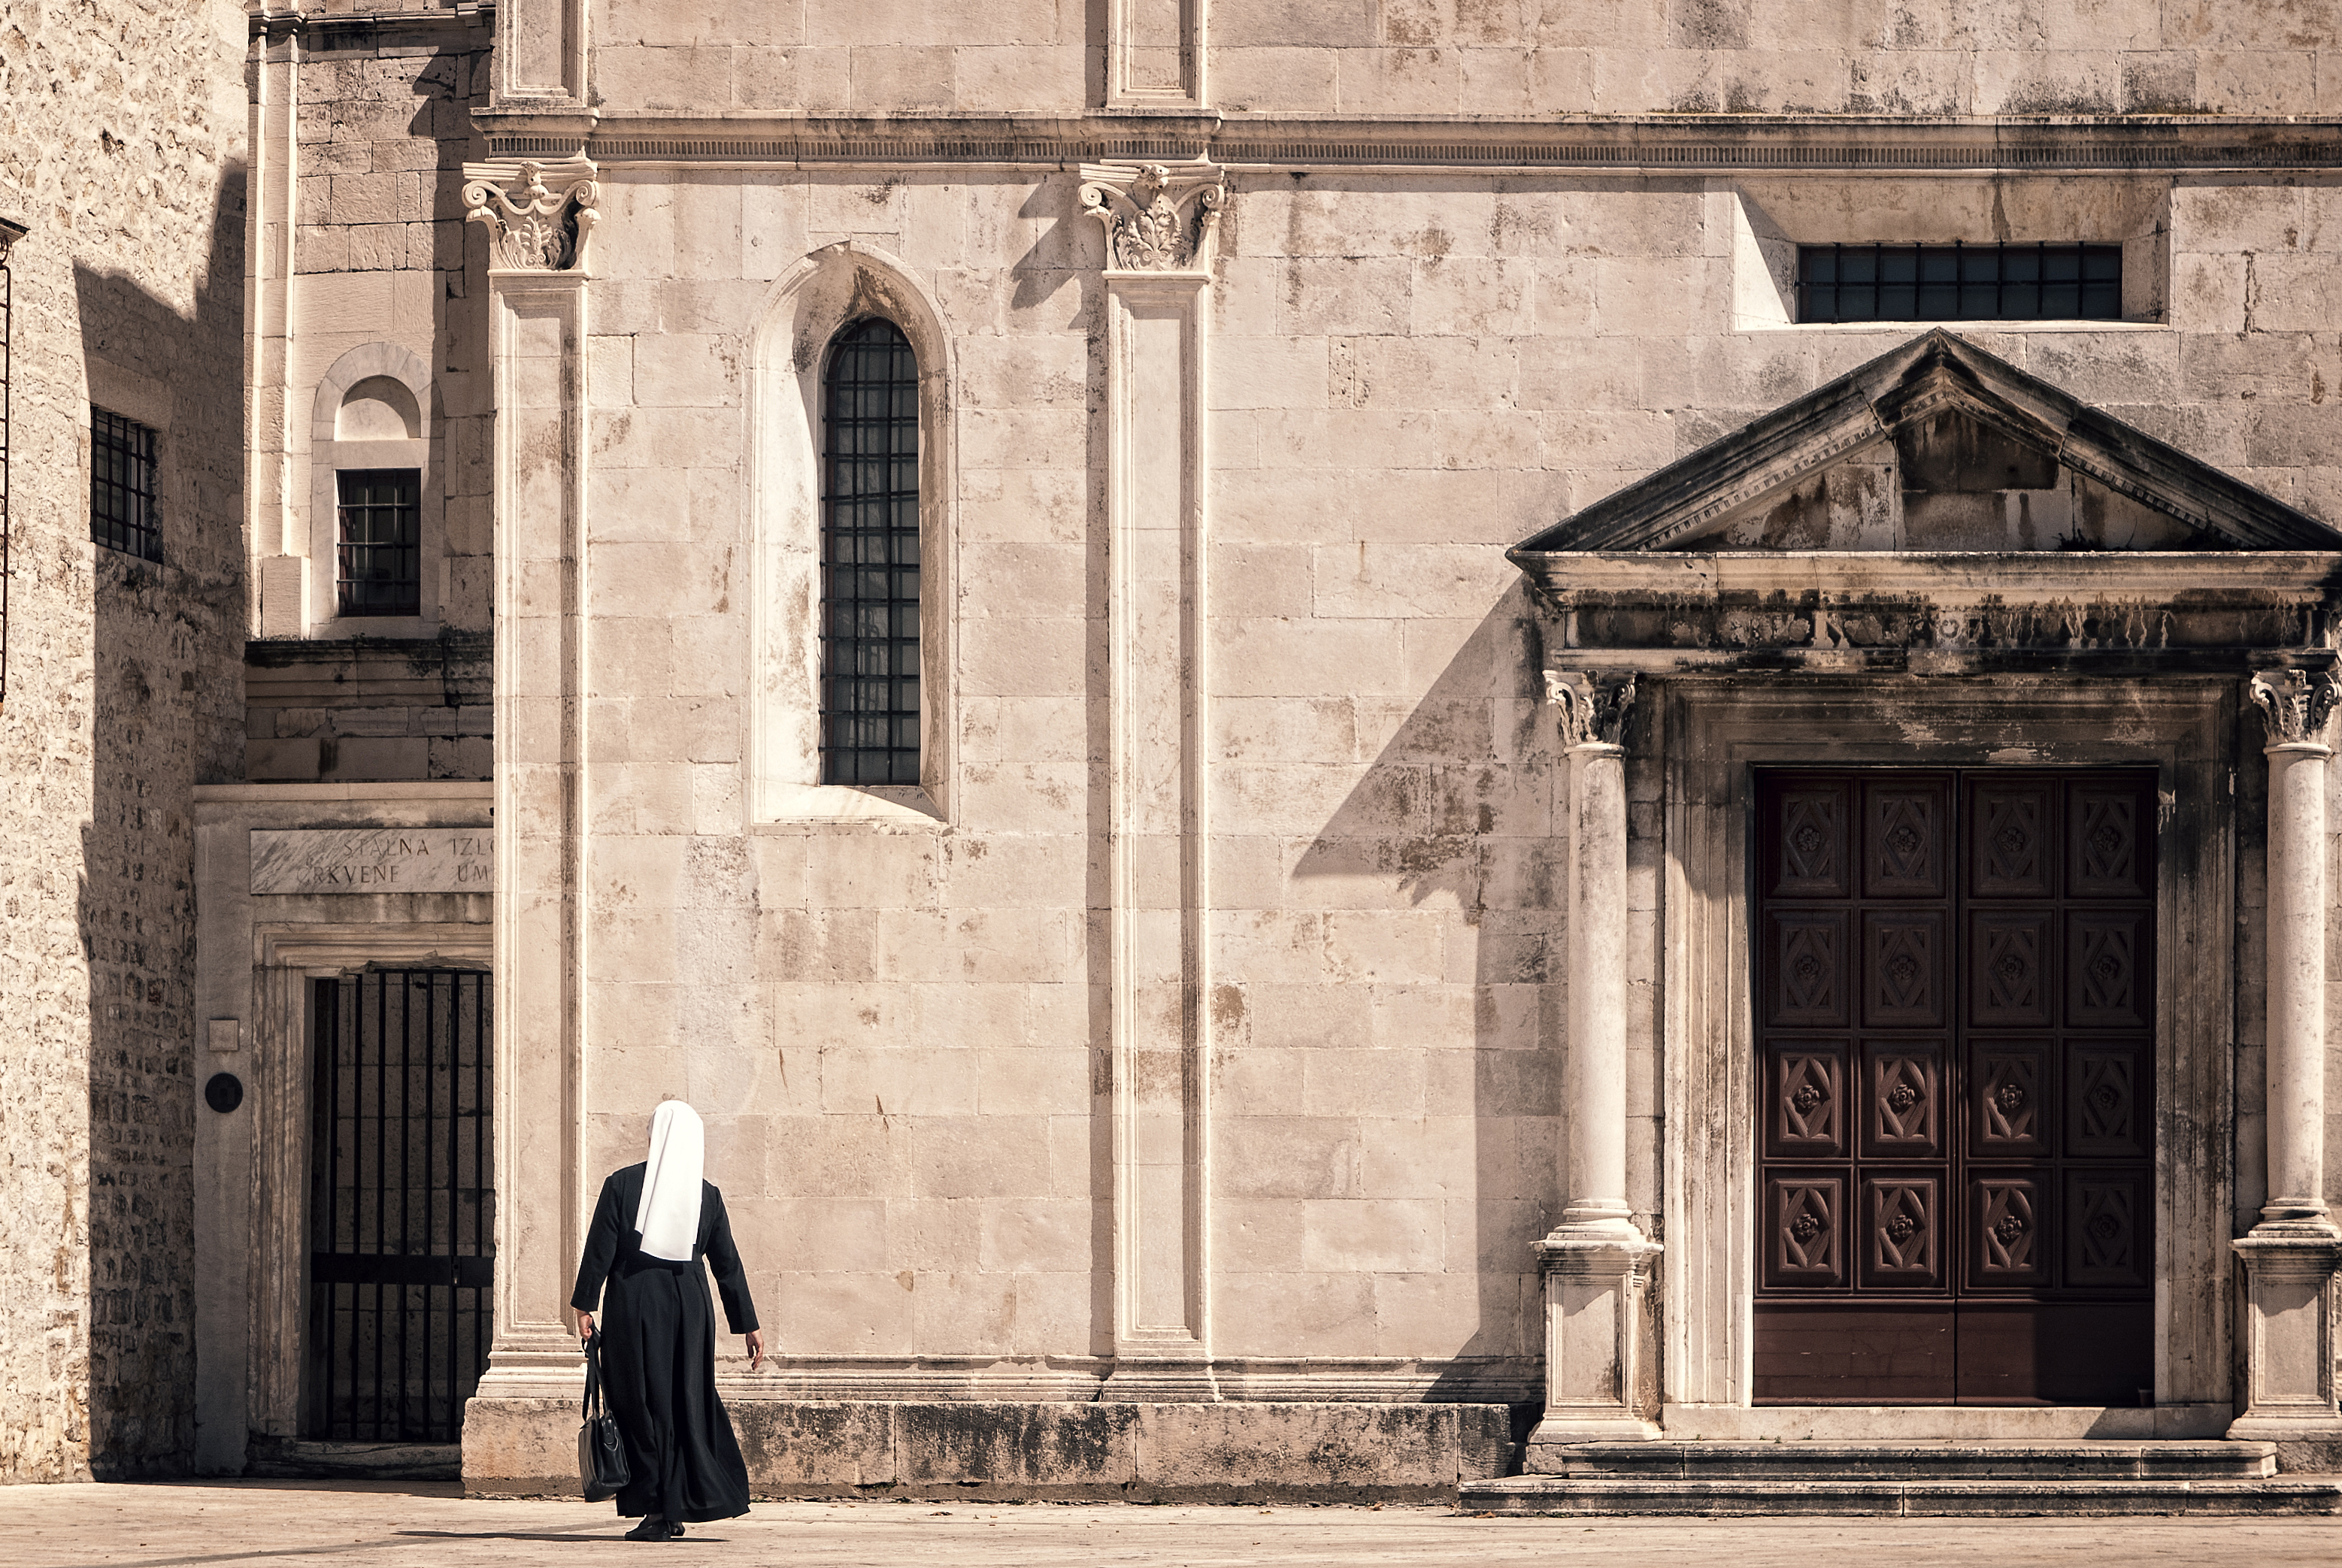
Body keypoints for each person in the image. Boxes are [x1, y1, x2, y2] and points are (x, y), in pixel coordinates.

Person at [570, 1100, 765, 1540]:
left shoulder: (621, 1185)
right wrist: (748, 1323)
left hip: (635, 1307)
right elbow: (727, 1264)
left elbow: (598, 1251)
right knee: (683, 1402)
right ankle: (673, 1506)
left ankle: (658, 1510)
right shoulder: (706, 1193)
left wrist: (585, 1306)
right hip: (690, 1311)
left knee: (639, 1402)